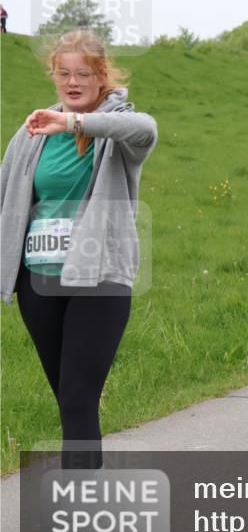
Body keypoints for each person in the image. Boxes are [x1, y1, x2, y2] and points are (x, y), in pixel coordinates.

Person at [0, 30, 157, 469]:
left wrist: (72, 123)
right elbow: (5, 194)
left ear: (101, 76)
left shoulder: (119, 128)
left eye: (83, 73)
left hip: (99, 278)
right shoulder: (33, 131)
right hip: (40, 279)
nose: (72, 82)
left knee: (76, 395)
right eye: (63, 73)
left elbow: (146, 129)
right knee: (69, 398)